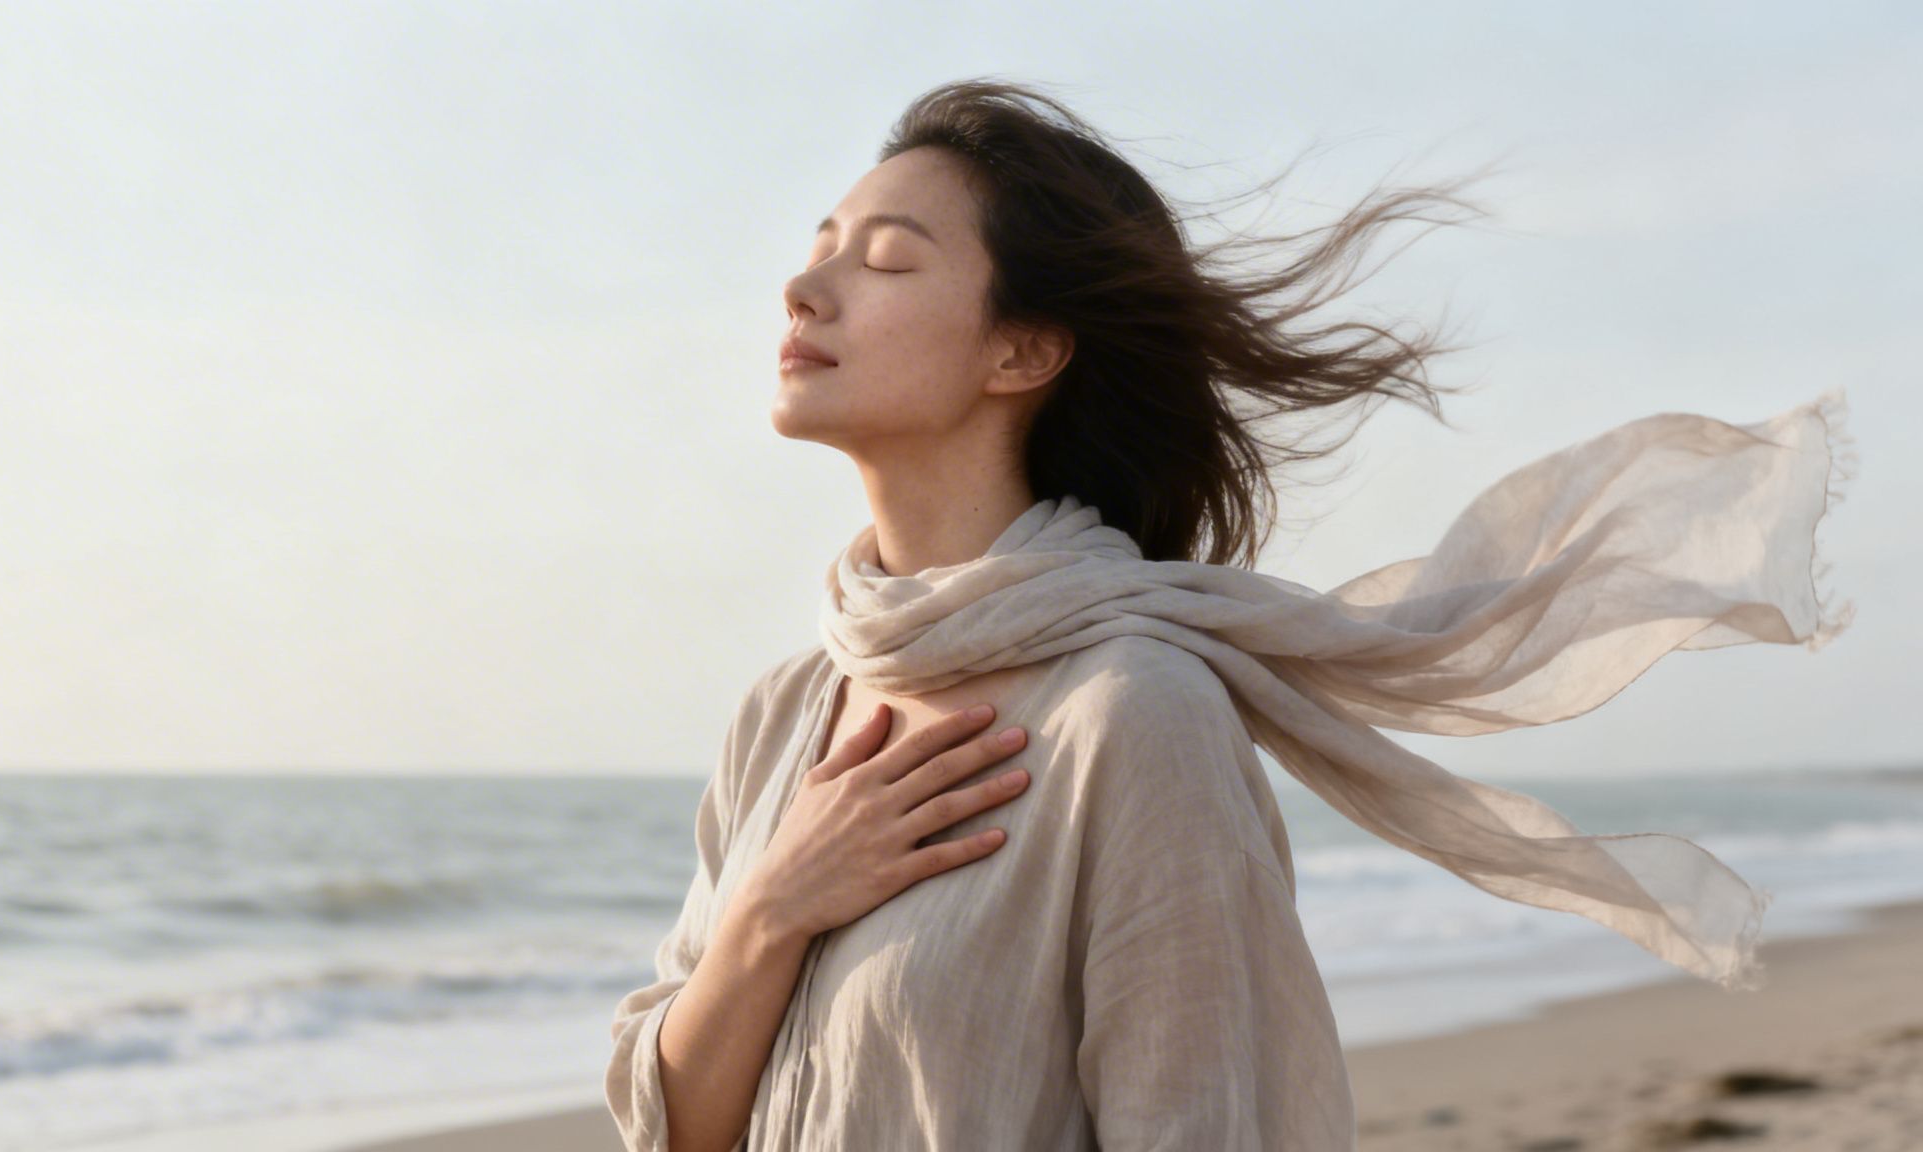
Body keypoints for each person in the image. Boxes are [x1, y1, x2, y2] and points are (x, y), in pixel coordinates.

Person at [606, 78, 1855, 1152]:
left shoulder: (1132, 715)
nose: (804, 285)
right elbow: (673, 1123)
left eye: (882, 260)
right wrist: (774, 907)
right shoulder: (786, 715)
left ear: (1022, 353)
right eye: (822, 243)